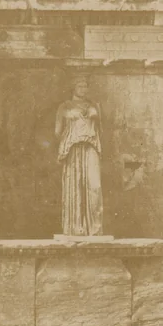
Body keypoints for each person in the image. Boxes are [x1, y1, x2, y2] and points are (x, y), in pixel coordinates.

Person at [55, 75, 104, 236]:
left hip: (91, 145)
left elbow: (102, 128)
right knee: (75, 185)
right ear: (73, 88)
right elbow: (57, 131)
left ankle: (95, 228)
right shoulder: (64, 106)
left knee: (94, 185)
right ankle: (75, 227)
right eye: (80, 86)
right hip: (73, 147)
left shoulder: (94, 105)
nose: (84, 89)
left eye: (85, 86)